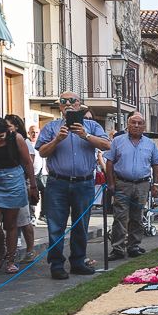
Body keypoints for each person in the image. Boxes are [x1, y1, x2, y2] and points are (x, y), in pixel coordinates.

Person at [35, 91, 111, 280]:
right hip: (57, 182)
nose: (67, 103)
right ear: (59, 106)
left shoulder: (92, 125)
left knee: (80, 225)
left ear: (79, 105)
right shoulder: (51, 127)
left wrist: (86, 136)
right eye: (63, 101)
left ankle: (77, 262)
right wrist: (57, 140)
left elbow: (106, 145)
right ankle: (57, 264)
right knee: (56, 225)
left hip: (83, 183)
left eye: (72, 100)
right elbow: (42, 152)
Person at [105, 111, 158, 260]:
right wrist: (110, 183)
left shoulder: (150, 144)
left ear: (144, 127)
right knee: (120, 217)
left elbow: (156, 164)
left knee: (137, 217)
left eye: (139, 123)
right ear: (128, 125)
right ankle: (117, 248)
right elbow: (109, 162)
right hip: (122, 184)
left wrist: (155, 183)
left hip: (142, 184)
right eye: (133, 122)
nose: (136, 126)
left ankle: (133, 246)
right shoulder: (117, 141)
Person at [0, 116, 36, 274]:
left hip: (14, 180)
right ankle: (2, 250)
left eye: (0, 136)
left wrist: (33, 186)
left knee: (11, 224)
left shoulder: (16, 138)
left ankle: (11, 259)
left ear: (7, 131)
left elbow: (27, 162)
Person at [5, 114, 37, 263]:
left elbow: (28, 162)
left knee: (23, 218)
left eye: (9, 126)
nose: (6, 130)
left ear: (16, 127)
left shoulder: (23, 141)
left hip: (20, 182)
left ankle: (30, 249)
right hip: (2, 185)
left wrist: (31, 184)